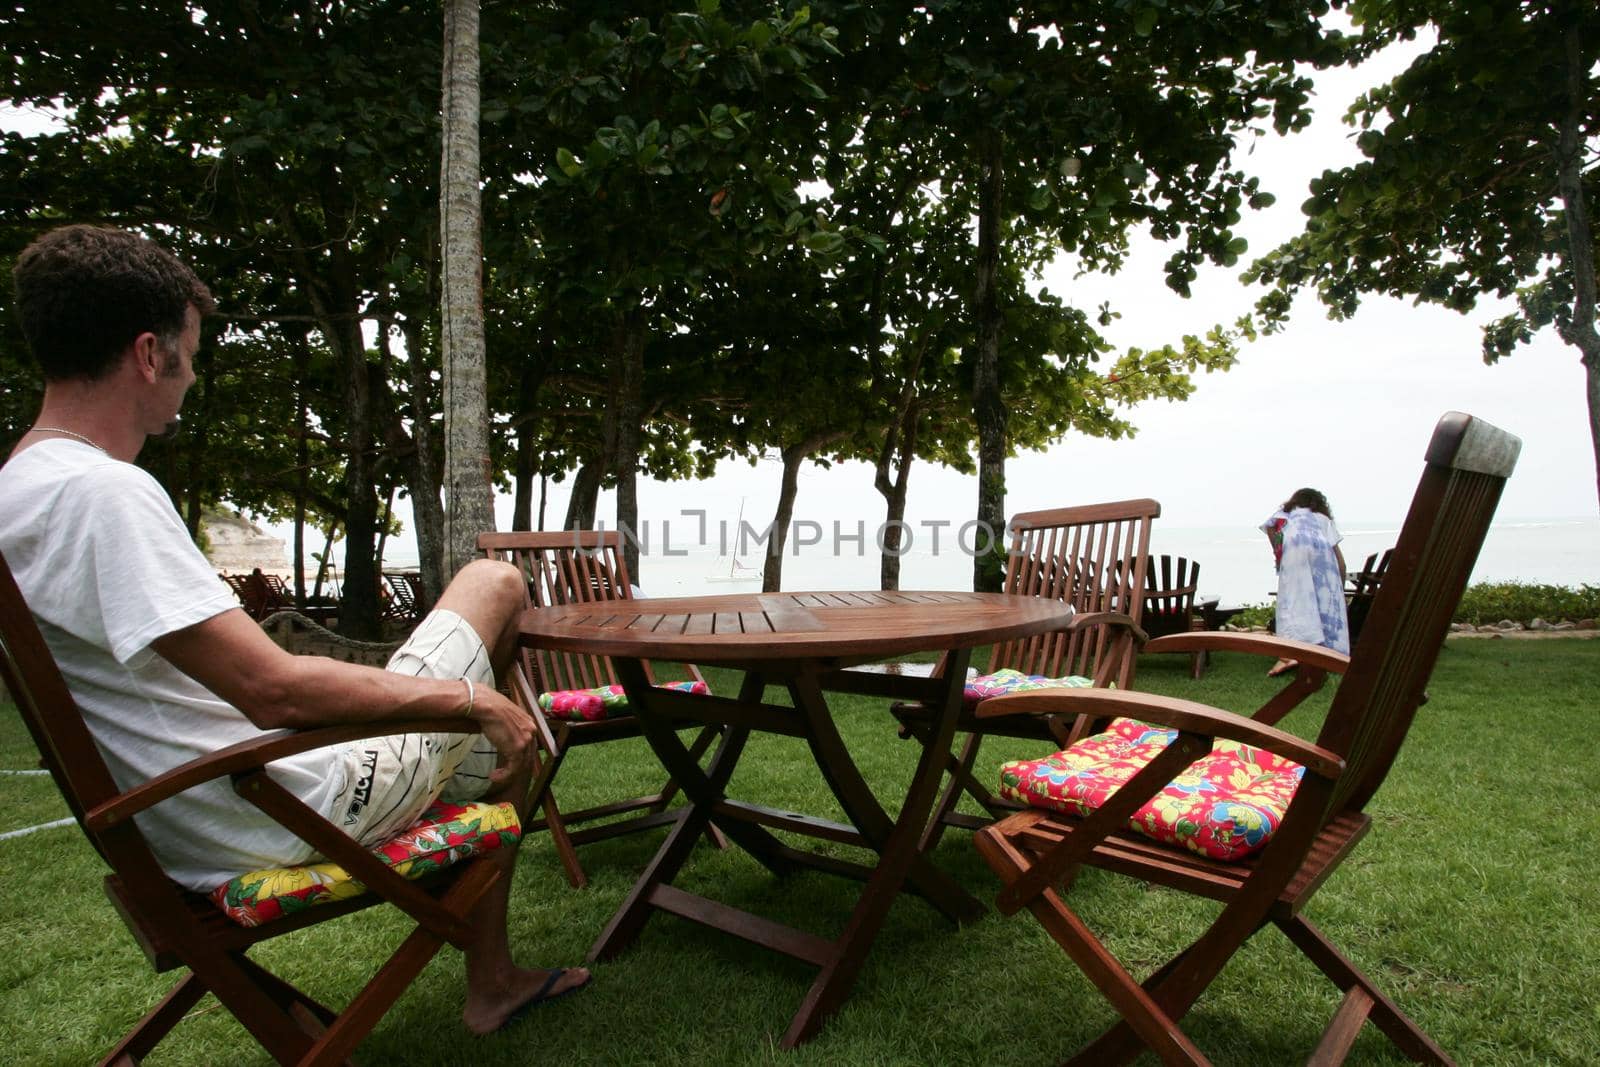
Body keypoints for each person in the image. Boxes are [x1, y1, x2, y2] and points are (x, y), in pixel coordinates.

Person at [0, 224, 589, 1034]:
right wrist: (467, 700)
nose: (193, 375)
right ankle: (488, 972)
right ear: (148, 353)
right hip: (282, 807)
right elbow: (269, 686)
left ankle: (484, 944)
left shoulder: (20, 491)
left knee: (464, 698)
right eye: (191, 353)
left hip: (182, 826)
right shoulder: (105, 495)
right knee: (493, 585)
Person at [1261, 487, 1350, 677]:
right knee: (1322, 604)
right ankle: (1328, 655)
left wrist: (1279, 556)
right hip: (1323, 561)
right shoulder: (1323, 520)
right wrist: (1339, 590)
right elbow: (1340, 561)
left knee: (1293, 603)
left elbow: (1271, 529)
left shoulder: (1283, 516)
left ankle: (1289, 655)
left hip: (1293, 557)